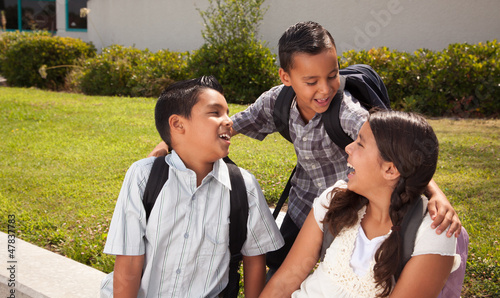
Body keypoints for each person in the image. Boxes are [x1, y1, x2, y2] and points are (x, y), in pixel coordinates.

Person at [149, 21, 461, 278]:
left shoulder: (348, 114)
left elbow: (396, 152)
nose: (324, 89)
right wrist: (172, 142)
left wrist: (436, 194)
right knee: (281, 267)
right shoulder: (277, 102)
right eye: (311, 81)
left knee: (348, 275)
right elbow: (236, 123)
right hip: (303, 203)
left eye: (332, 75)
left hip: (349, 207)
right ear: (286, 78)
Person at [95, 76, 284, 298]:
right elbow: (128, 263)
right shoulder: (143, 177)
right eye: (215, 112)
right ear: (178, 125)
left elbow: (255, 262)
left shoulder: (243, 187)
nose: (228, 121)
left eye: (227, 112)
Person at [246, 110, 461, 298]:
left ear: (390, 170)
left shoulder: (433, 232)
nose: (348, 148)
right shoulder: (334, 200)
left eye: (360, 143)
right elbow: (285, 281)